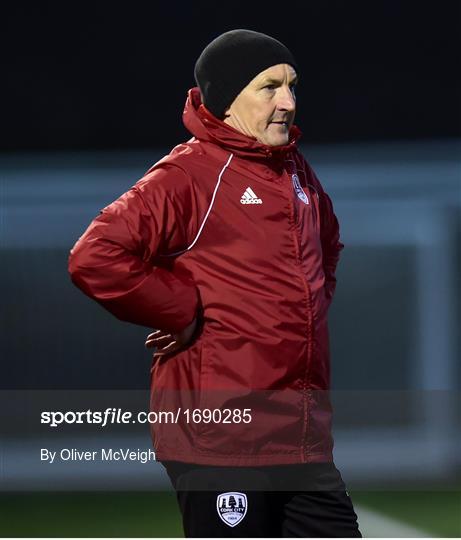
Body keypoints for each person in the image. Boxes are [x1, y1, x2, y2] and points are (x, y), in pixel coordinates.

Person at [69, 29, 361, 537]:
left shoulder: (296, 172)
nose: (288, 102)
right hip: (220, 438)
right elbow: (95, 256)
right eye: (269, 87)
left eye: (293, 86)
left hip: (300, 435)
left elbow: (327, 248)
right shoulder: (187, 175)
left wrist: (300, 308)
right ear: (227, 99)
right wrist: (180, 311)